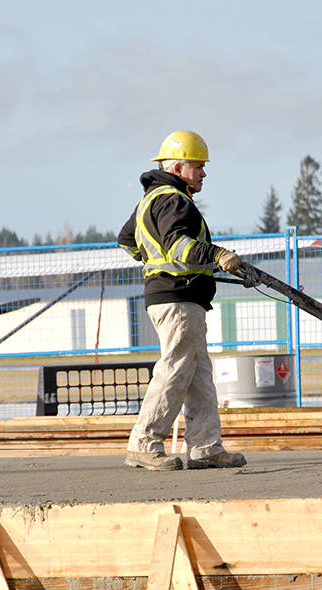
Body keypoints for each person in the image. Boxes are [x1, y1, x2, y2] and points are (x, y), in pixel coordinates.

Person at [117, 129, 248, 471]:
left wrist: (154, 261)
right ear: (178, 168)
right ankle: (144, 443)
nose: (203, 173)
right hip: (178, 297)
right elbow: (179, 247)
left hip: (177, 296)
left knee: (199, 373)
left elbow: (127, 239)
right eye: (198, 166)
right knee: (174, 370)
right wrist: (216, 254)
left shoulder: (151, 199)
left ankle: (206, 447)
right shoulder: (174, 201)